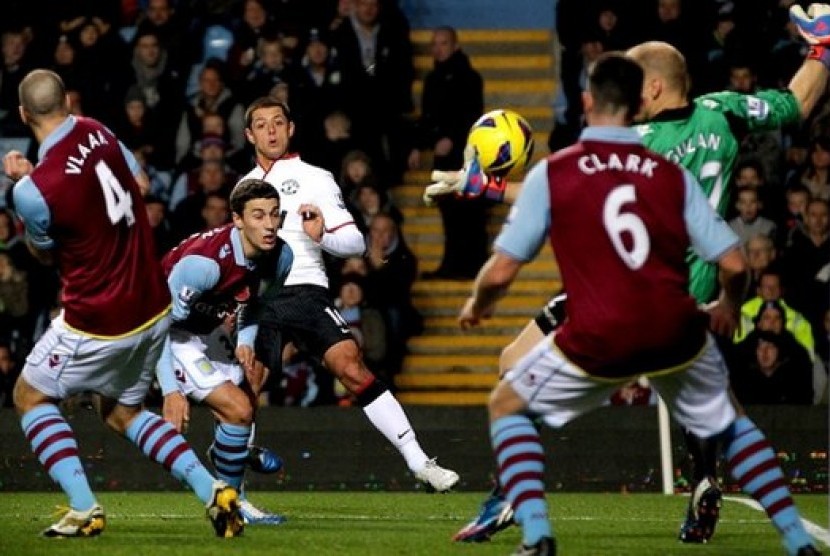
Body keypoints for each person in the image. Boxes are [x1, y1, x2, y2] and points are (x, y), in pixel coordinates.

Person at [430, 4, 830, 544]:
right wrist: (822, 49)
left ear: (658, 88)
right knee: (709, 402)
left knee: (512, 365)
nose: (630, 98)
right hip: (699, 290)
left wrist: (480, 186)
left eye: (637, 87)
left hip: (633, 283)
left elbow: (562, 183)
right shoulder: (723, 111)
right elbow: (797, 102)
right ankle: (713, 485)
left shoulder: (639, 146)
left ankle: (512, 501)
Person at [3, 69, 242, 538]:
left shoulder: (33, 190)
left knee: (29, 396)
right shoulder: (96, 130)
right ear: (68, 104)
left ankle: (84, 506)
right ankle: (213, 490)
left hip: (99, 315)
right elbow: (143, 184)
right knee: (121, 412)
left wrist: (26, 183)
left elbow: (43, 252)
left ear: (23, 114)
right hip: (153, 303)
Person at [238, 96, 459, 491]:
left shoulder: (317, 178)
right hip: (264, 298)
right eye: (261, 124)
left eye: (277, 123)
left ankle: (420, 462)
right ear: (249, 134)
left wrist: (321, 234)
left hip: (307, 292)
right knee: (247, 378)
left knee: (352, 367)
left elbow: (356, 242)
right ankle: (234, 489)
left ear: (290, 129)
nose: (270, 131)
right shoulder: (243, 188)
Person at [158, 178, 293, 526]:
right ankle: (233, 501)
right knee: (238, 408)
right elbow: (156, 327)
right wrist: (171, 391)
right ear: (237, 219)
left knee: (250, 380)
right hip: (164, 331)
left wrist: (246, 340)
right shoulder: (203, 265)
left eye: (274, 215)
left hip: (205, 329)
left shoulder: (281, 256)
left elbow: (256, 302)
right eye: (258, 215)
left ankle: (228, 455)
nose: (269, 224)